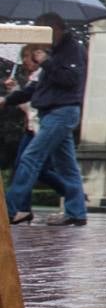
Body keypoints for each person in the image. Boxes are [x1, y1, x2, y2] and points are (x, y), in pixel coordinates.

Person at [0, 17, 89, 226]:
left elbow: (72, 80)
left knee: (31, 158)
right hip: (52, 113)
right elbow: (35, 89)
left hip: (62, 112)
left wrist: (47, 62)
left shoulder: (72, 50)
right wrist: (7, 100)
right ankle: (76, 212)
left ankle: (10, 209)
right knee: (67, 167)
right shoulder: (54, 53)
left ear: (54, 29)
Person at [5, 45, 70, 224]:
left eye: (27, 56)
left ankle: (71, 191)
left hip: (40, 129)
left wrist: (12, 95)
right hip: (32, 128)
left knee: (31, 168)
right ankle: (22, 209)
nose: (25, 61)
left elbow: (32, 104)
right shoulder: (34, 77)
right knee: (27, 168)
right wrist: (14, 90)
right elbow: (27, 107)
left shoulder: (42, 75)